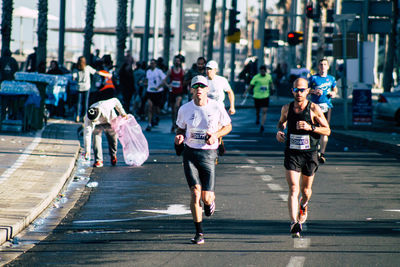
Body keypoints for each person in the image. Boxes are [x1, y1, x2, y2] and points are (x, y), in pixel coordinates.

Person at [175, 75, 232, 244]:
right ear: (191, 89)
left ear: (207, 89)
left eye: (202, 86)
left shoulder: (216, 107)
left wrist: (215, 135)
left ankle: (209, 204)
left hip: (208, 154)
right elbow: (180, 128)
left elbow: (228, 126)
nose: (199, 89)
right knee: (194, 192)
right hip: (190, 153)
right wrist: (178, 137)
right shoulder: (184, 109)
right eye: (196, 86)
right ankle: (199, 232)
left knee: (207, 197)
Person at [276, 78, 331, 238]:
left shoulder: (314, 108)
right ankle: (294, 223)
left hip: (310, 154)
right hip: (292, 152)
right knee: (293, 188)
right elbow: (281, 123)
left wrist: (311, 127)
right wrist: (280, 132)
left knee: (305, 191)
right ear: (292, 91)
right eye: (296, 90)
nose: (299, 92)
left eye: (302, 90)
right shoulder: (286, 108)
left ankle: (304, 204)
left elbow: (327, 130)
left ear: (308, 91)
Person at [83, 97, 127, 168]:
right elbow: (87, 134)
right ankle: (98, 160)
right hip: (96, 126)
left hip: (110, 120)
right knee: (96, 137)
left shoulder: (105, 105)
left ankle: (113, 155)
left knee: (113, 139)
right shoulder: (88, 118)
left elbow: (116, 101)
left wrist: (122, 113)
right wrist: (87, 151)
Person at [308, 58, 338, 164]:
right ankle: (314, 150)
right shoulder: (313, 78)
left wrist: (334, 93)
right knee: (314, 129)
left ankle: (322, 154)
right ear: (318, 66)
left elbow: (335, 89)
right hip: (315, 107)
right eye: (321, 64)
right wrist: (314, 91)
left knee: (325, 129)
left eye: (325, 64)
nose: (323, 66)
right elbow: (306, 90)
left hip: (327, 106)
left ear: (328, 66)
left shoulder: (331, 79)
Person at [72, 56, 111, 122]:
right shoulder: (87, 68)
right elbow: (96, 72)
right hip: (86, 87)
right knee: (86, 102)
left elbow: (74, 77)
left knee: (79, 102)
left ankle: (77, 116)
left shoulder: (76, 69)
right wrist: (106, 75)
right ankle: (85, 116)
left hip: (79, 87)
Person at [243, 65, 275, 133]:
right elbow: (251, 85)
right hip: (257, 96)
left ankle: (262, 125)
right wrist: (245, 92)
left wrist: (273, 88)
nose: (262, 72)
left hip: (265, 96)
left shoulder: (269, 76)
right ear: (260, 71)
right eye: (261, 71)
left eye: (263, 71)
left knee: (264, 111)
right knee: (258, 110)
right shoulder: (256, 77)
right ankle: (257, 117)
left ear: (265, 71)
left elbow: (271, 83)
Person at [163, 55, 185, 132]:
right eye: (175, 61)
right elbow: (164, 80)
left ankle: (177, 124)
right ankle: (173, 124)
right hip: (172, 92)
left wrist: (184, 86)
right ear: (174, 61)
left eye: (178, 61)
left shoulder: (182, 71)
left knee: (177, 107)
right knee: (173, 110)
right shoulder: (170, 70)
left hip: (179, 92)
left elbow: (184, 81)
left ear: (180, 62)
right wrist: (168, 85)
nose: (177, 62)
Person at [144, 59, 166, 131]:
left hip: (158, 92)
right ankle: (149, 123)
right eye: (151, 63)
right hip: (150, 91)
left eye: (153, 63)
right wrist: (144, 83)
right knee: (149, 106)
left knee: (156, 108)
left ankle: (156, 116)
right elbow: (147, 80)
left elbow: (164, 79)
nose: (152, 64)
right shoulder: (148, 71)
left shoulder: (159, 71)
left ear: (155, 64)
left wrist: (159, 87)